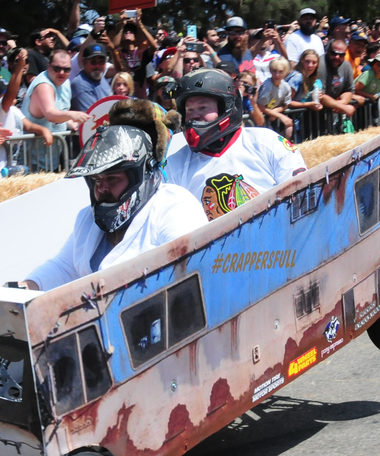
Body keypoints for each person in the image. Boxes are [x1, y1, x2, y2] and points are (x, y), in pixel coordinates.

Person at [23, 100, 207, 291]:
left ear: (140, 175)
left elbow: (191, 266)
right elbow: (64, 267)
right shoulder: (87, 219)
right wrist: (26, 287)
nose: (102, 188)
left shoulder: (174, 205)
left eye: (112, 179)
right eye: (96, 180)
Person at [167, 68, 306, 221]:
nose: (195, 116)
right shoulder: (176, 161)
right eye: (189, 109)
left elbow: (301, 195)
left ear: (227, 107)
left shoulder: (266, 142)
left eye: (203, 107)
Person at [0, 49, 53, 176]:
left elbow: (28, 126)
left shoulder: (13, 110)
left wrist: (44, 130)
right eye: (4, 95)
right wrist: (20, 66)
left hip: (14, 169)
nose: (12, 98)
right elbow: (11, 93)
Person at [21, 48, 89, 170]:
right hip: (32, 162)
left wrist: (71, 124)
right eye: (57, 68)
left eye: (67, 69)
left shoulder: (65, 83)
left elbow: (60, 113)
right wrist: (72, 115)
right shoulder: (44, 85)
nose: (62, 73)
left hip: (51, 160)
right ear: (48, 66)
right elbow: (51, 114)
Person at [257, 56, 295, 138]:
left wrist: (276, 111)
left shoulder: (286, 86)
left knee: (289, 128)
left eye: (281, 72)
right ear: (270, 70)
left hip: (273, 118)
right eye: (274, 71)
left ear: (286, 72)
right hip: (261, 120)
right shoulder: (267, 85)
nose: (277, 75)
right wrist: (280, 115)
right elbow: (261, 107)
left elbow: (286, 104)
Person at [70, 44, 112, 111]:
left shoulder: (100, 77)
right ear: (84, 62)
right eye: (93, 62)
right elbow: (94, 116)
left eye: (101, 62)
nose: (98, 65)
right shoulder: (80, 84)